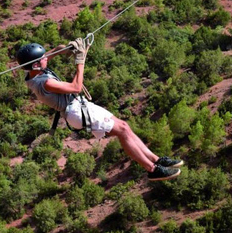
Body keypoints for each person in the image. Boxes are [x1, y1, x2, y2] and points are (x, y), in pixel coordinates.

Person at [16, 38, 183, 181]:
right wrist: (80, 61)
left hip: (79, 107)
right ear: (36, 64)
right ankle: (152, 170)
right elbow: (76, 86)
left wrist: (67, 47)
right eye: (43, 58)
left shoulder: (34, 71)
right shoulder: (44, 83)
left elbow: (51, 53)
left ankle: (157, 160)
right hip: (76, 111)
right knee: (122, 131)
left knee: (124, 126)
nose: (47, 58)